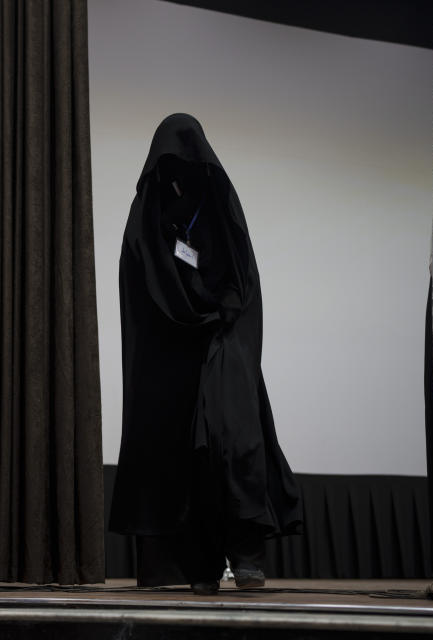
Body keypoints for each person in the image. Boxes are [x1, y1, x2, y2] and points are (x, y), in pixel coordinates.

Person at [109, 114, 302, 595]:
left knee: (236, 442)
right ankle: (200, 566)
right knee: (183, 459)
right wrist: (186, 315)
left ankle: (246, 556)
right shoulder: (148, 214)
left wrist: (225, 319)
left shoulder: (219, 206)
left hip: (224, 343)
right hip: (172, 357)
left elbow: (245, 280)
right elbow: (142, 284)